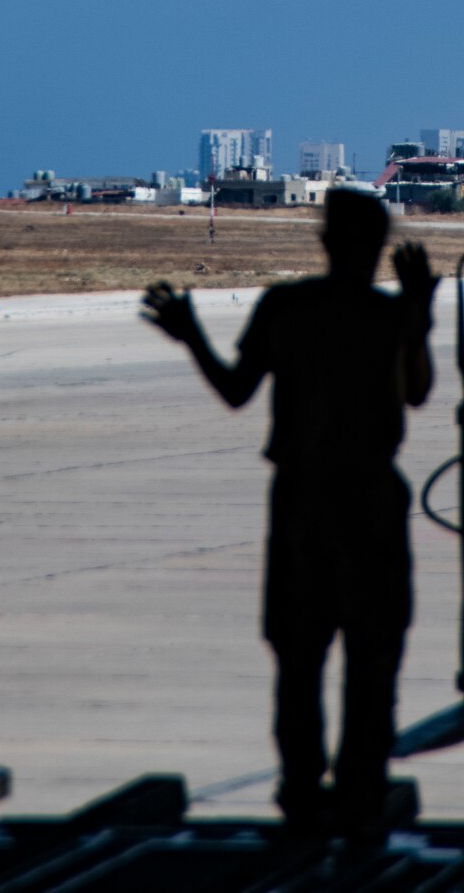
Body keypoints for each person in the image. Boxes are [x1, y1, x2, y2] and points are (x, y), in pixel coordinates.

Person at [141, 190, 437, 833]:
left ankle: (302, 794)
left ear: (325, 242)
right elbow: (417, 392)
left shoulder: (286, 308)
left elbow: (235, 391)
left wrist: (190, 333)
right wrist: (420, 311)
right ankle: (361, 792)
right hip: (369, 505)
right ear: (378, 247)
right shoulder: (388, 317)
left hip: (302, 503)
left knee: (299, 662)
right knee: (373, 661)